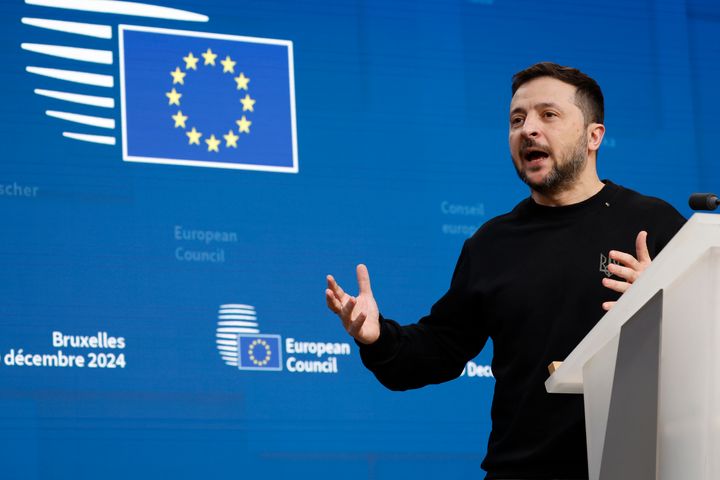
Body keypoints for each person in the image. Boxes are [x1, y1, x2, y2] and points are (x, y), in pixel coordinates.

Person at [325, 62, 686, 479]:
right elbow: (440, 351)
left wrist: (668, 301)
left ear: (593, 136)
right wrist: (377, 337)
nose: (527, 129)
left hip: (637, 467)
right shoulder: (492, 244)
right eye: (517, 119)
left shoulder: (653, 224)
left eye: (548, 115)